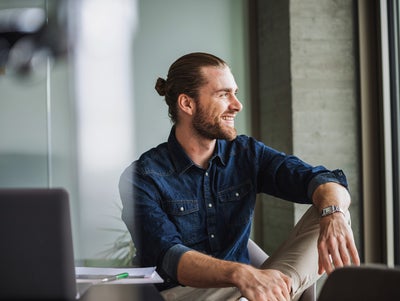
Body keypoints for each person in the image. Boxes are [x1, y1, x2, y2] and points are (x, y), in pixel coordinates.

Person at [119, 52, 360, 301]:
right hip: (182, 294)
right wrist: (241, 274)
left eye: (235, 93)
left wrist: (334, 214)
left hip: (248, 291)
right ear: (187, 104)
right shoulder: (142, 177)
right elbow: (169, 257)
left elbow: (318, 178)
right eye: (223, 94)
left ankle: (276, 294)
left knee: (329, 208)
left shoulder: (247, 154)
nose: (237, 104)